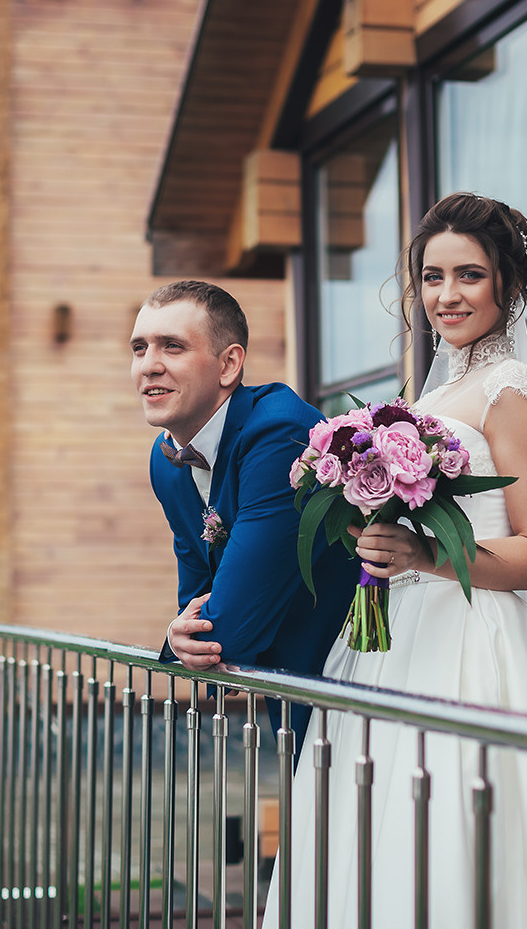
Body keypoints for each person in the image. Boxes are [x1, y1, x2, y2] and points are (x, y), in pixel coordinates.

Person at [263, 194, 527, 927]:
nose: (446, 294)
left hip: (477, 645)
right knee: (377, 832)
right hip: (396, 638)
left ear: (508, 283)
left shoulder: (512, 392)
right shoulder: (434, 391)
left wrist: (424, 553)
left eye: (469, 274)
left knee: (472, 837)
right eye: (433, 276)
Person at [133, 280, 359, 743]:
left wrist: (189, 637)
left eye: (172, 347)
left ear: (229, 364)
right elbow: (196, 592)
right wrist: (181, 635)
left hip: (353, 676)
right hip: (290, 695)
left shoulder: (278, 432)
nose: (149, 365)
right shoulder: (166, 457)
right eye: (139, 348)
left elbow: (230, 630)